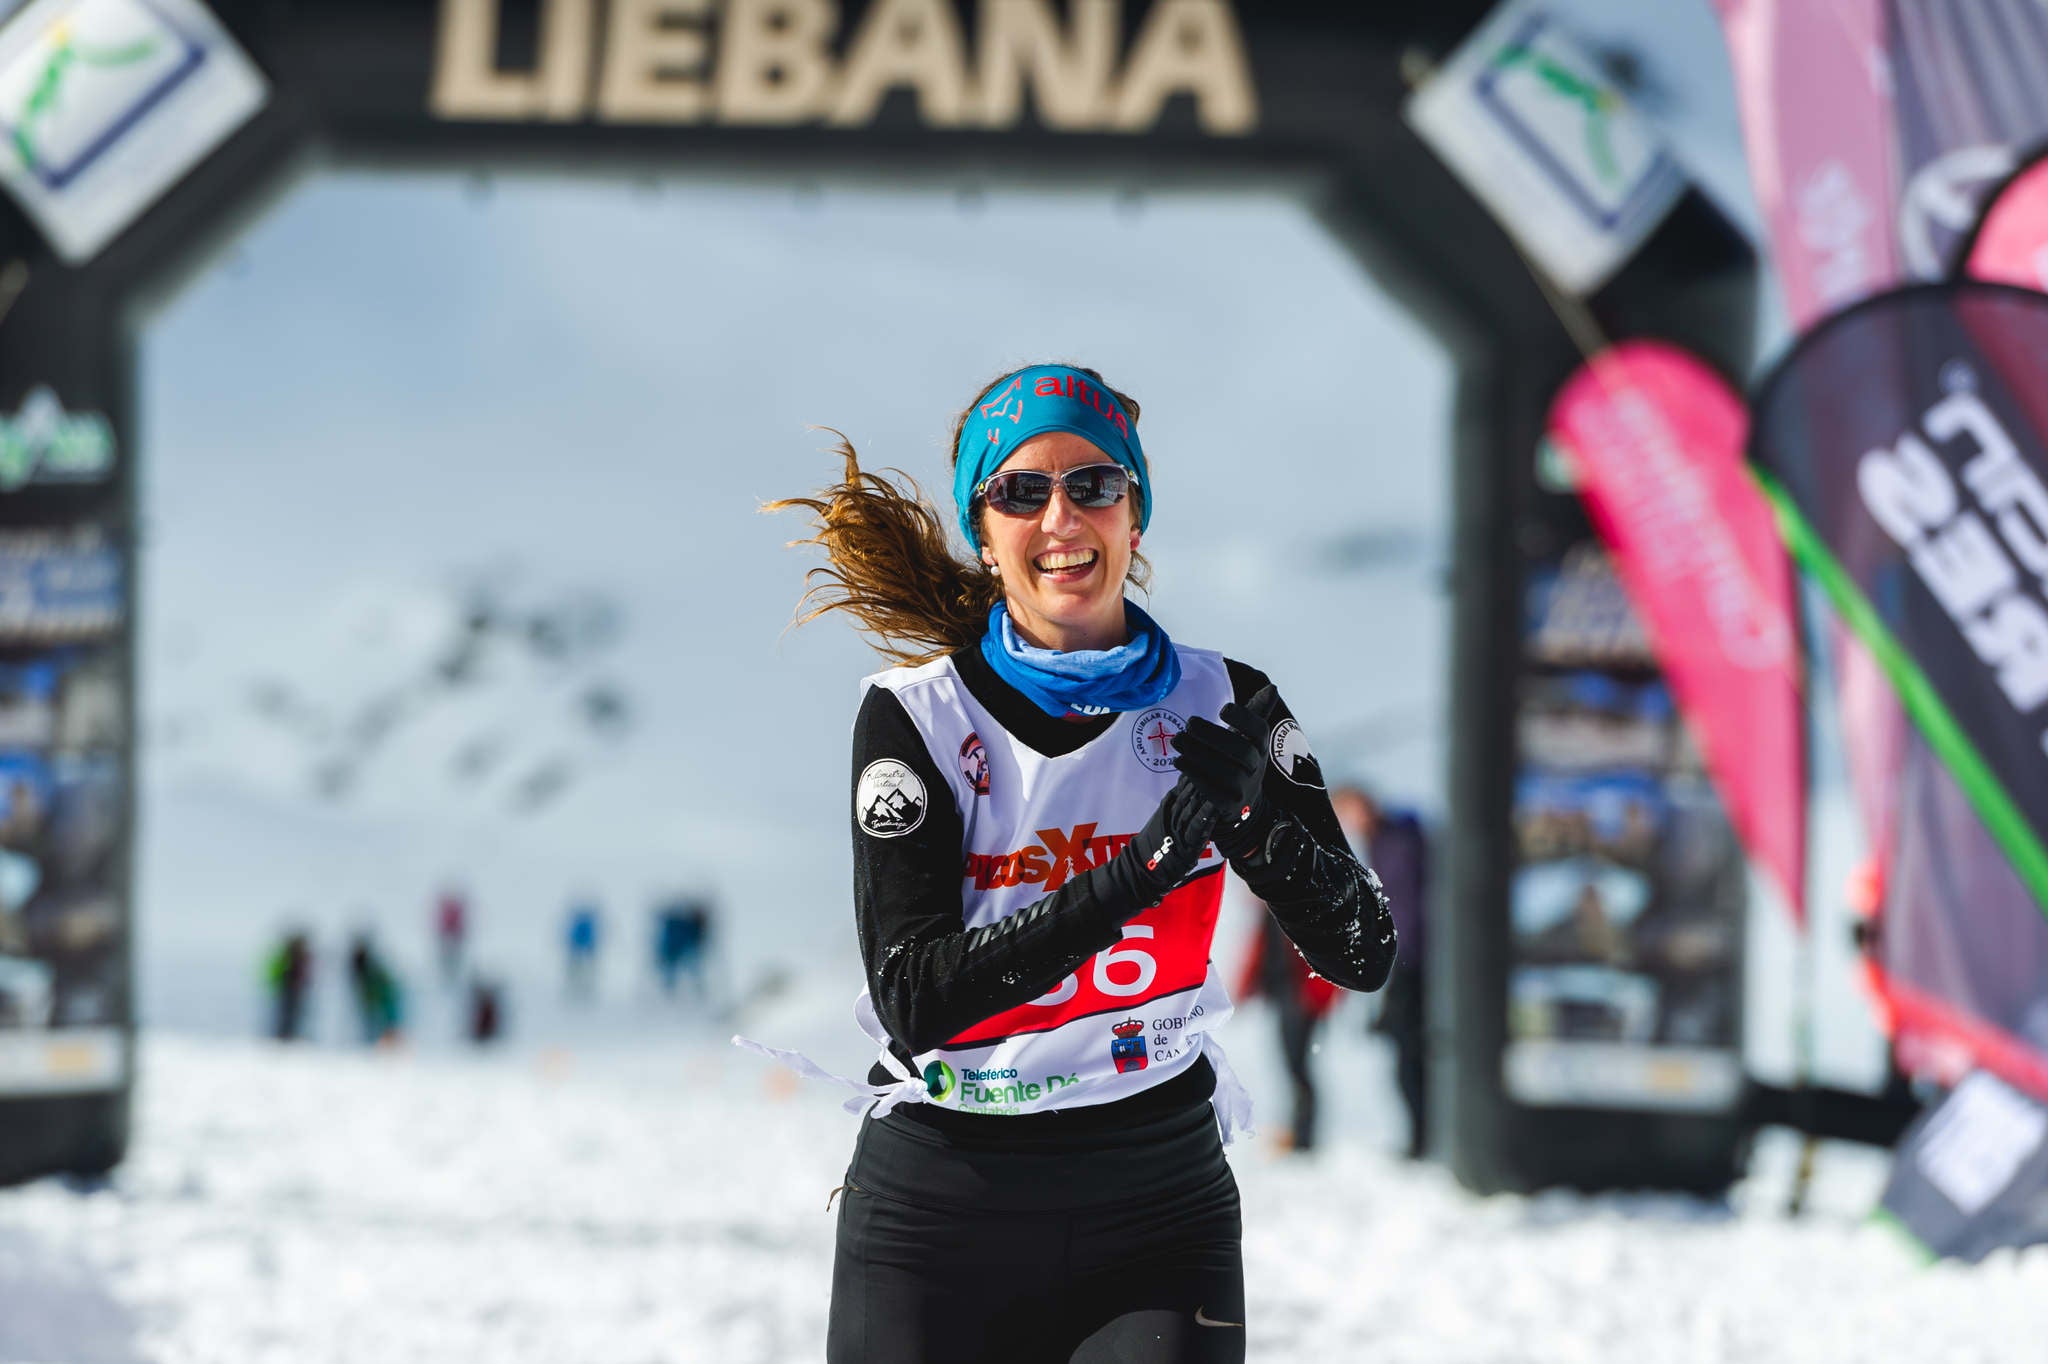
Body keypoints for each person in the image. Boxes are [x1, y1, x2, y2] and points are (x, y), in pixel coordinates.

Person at [764, 362, 1397, 1361]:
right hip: (942, 1206)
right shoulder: (917, 715)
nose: (1061, 515)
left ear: (1134, 515)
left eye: (1093, 484)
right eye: (1022, 490)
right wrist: (1140, 869)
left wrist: (1252, 831)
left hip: (1154, 1203)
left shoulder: (1224, 698)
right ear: (984, 530)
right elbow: (914, 995)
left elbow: (1362, 948)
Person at [1337, 785, 1432, 1160]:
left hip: (1415, 963)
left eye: (1349, 813)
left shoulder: (1398, 842)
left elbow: (1406, 909)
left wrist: (1395, 958)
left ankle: (1423, 1139)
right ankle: (1420, 1136)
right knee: (1407, 1054)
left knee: (1411, 1054)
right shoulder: (1385, 842)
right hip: (1409, 961)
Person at [1233, 903, 1340, 1153]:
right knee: (1293, 1066)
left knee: (1298, 1066)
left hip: (1301, 997)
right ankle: (1299, 1132)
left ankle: (1304, 1135)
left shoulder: (1295, 902)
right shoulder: (1271, 906)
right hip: (1286, 993)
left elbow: (1325, 952)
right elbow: (1260, 949)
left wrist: (1317, 997)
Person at [347, 932, 404, 1046]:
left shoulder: (375, 973)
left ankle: (386, 1042)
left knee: (385, 1022)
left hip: (381, 1000)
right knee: (381, 1022)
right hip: (378, 999)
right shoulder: (373, 972)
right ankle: (380, 1042)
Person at [261, 929, 314, 1042]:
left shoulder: (288, 953)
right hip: (290, 989)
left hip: (288, 989)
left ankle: (285, 1036)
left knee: (287, 1014)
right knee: (289, 1014)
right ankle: (285, 1036)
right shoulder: (292, 954)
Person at [565, 898, 601, 999]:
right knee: (580, 971)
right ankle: (580, 989)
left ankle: (582, 989)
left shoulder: (581, 923)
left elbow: (571, 936)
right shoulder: (587, 923)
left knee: (580, 971)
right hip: (582, 951)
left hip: (580, 951)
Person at [434, 887, 468, 985]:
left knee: (454, 959)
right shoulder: (449, 910)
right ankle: (447, 976)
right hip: (448, 938)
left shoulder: (455, 910)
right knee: (447, 959)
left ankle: (452, 976)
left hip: (453, 938)